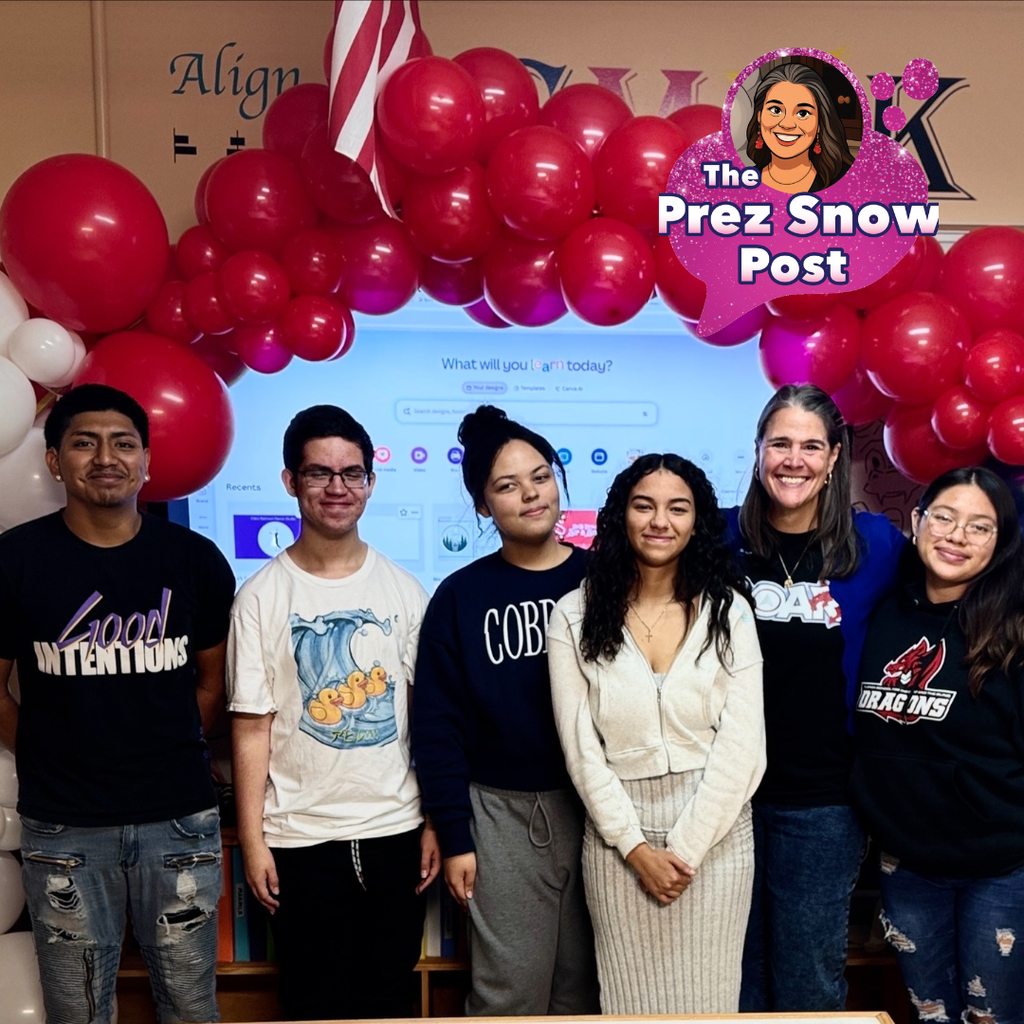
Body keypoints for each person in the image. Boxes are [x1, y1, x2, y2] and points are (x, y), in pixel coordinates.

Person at [0, 383, 236, 1024]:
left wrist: (172, 742)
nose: (106, 456)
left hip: (179, 819)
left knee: (190, 1004)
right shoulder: (15, 561)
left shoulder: (194, 559)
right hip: (64, 825)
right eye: (84, 442)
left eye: (123, 443)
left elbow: (211, 682)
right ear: (54, 461)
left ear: (146, 460)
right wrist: (45, 752)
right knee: (77, 1010)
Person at [227, 405, 439, 1021]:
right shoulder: (261, 598)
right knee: (310, 1000)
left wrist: (430, 821)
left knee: (391, 997)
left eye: (352, 473)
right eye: (319, 473)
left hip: (394, 833)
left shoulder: (404, 591)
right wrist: (253, 840)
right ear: (291, 482)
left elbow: (424, 720)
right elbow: (250, 727)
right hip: (298, 838)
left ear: (371, 482)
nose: (337, 488)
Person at [548, 453, 765, 1013]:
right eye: (644, 506)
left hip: (716, 839)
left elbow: (744, 744)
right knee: (629, 1007)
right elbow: (581, 750)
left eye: (678, 508)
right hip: (619, 843)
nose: (659, 521)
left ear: (698, 522)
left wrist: (685, 849)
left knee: (712, 1007)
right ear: (622, 515)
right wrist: (636, 847)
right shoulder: (575, 613)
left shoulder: (730, 612)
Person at [412, 405, 599, 1016]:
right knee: (508, 993)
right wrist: (457, 835)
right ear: (482, 505)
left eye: (540, 476)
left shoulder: (604, 582)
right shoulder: (461, 596)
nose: (530, 495)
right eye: (507, 485)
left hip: (599, 811)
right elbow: (437, 727)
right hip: (500, 816)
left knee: (585, 990)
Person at [728, 383, 906, 1012]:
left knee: (807, 981)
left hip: (825, 803)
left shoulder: (876, 546)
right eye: (780, 443)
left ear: (834, 457)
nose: (793, 459)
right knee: (733, 980)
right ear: (757, 451)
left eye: (810, 446)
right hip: (726, 800)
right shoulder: (719, 541)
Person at [852, 467, 1024, 1024]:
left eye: (979, 527)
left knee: (990, 1018)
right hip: (907, 865)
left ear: (1001, 543)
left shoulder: (1015, 629)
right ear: (917, 520)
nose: (956, 536)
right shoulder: (883, 611)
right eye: (944, 518)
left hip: (999, 868)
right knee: (930, 1016)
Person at [744, 61, 855, 194]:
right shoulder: (739, 182)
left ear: (819, 123)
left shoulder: (848, 181)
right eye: (776, 110)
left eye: (802, 113)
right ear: (759, 116)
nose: (787, 124)